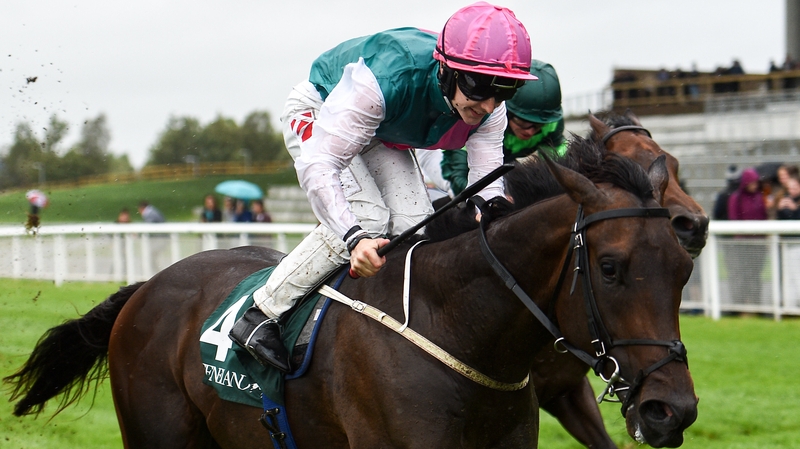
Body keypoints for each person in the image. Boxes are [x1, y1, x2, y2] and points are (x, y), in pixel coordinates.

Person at [229, 1, 536, 373]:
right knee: (369, 220)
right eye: (479, 87)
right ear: (446, 69)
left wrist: (496, 218)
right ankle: (261, 312)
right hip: (322, 110)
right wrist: (354, 238)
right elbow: (321, 165)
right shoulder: (381, 83)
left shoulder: (490, 109)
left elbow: (485, 184)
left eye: (505, 91)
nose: (488, 105)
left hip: (379, 132)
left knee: (418, 224)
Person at [417, 59, 567, 197]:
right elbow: (459, 181)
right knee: (461, 192)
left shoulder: (552, 125)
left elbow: (556, 174)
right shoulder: (486, 117)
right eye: (524, 123)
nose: (530, 131)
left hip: (502, 156)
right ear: (508, 111)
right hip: (439, 151)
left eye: (539, 126)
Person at [726, 168, 767, 306]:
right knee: (742, 275)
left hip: (758, 244)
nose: (755, 184)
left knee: (755, 275)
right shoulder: (736, 198)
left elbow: (764, 217)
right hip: (743, 244)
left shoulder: (759, 197)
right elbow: (734, 219)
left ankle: (756, 303)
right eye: (752, 182)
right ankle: (742, 304)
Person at [776, 176, 800, 308]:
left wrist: (795, 209)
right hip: (787, 244)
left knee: (798, 276)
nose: (792, 191)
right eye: (790, 188)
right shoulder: (784, 200)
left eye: (795, 188)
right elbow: (781, 223)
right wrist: (779, 210)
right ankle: (790, 306)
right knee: (788, 277)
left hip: (797, 244)